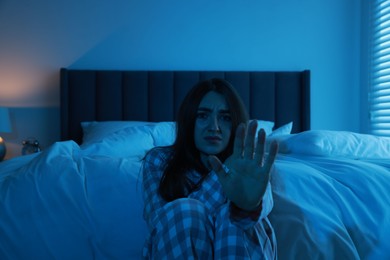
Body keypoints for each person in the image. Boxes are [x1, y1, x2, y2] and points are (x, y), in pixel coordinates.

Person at [141, 78, 278, 259]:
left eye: (225, 118)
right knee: (185, 212)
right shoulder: (158, 161)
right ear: (189, 120)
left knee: (235, 219)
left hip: (240, 239)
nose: (214, 127)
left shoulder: (250, 163)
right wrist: (221, 177)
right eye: (203, 116)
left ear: (236, 124)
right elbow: (160, 222)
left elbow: (261, 203)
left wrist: (247, 206)